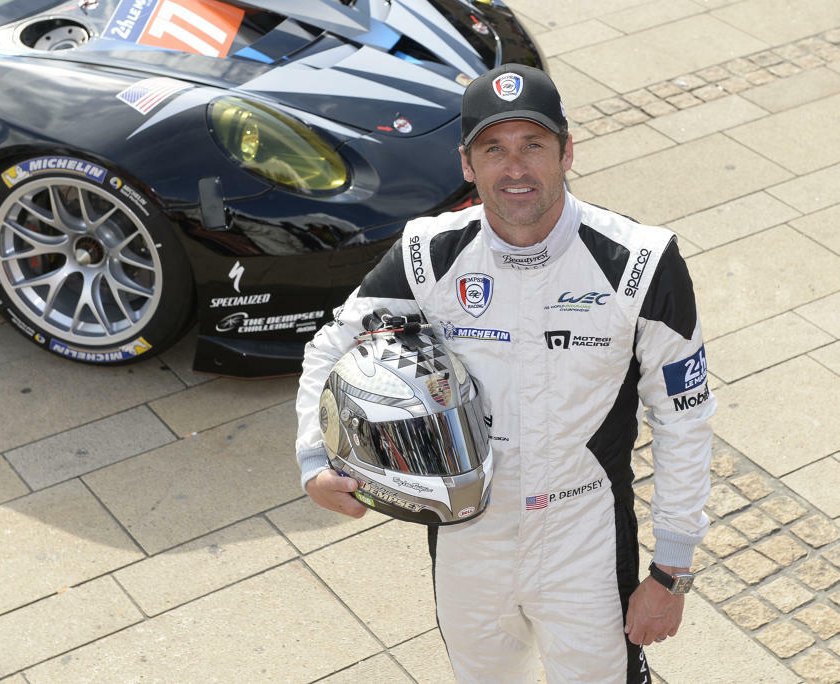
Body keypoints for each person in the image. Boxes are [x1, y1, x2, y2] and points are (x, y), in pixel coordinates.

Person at [294, 63, 714, 683]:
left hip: (585, 537)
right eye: (494, 149)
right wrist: (313, 458)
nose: (515, 169)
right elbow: (332, 347)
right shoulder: (427, 251)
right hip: (467, 537)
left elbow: (686, 418)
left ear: (567, 151)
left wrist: (671, 570)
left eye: (534, 145)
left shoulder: (641, 262)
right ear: (467, 163)